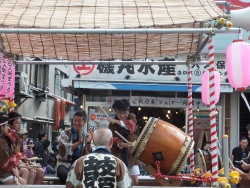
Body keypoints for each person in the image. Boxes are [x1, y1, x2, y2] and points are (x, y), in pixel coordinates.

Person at [66, 126, 132, 188]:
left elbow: (70, 185)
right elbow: (126, 185)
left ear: (93, 142)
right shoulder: (119, 164)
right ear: (111, 141)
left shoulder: (79, 162)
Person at [107, 99, 140, 185]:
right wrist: (123, 145)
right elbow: (113, 139)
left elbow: (130, 127)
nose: (123, 115)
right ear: (115, 111)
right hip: (119, 154)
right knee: (118, 179)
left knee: (135, 181)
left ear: (128, 111)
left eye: (125, 113)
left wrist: (115, 121)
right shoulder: (112, 125)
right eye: (120, 113)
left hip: (131, 154)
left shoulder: (132, 117)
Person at [55, 110, 93, 185]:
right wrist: (78, 143)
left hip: (81, 164)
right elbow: (63, 148)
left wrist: (88, 143)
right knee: (63, 174)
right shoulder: (65, 132)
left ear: (84, 122)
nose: (76, 123)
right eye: (75, 120)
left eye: (79, 121)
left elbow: (90, 152)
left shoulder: (87, 135)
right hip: (65, 163)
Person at [9, 112, 44, 184]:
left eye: (20, 123)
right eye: (17, 123)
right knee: (29, 171)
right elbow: (9, 155)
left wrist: (25, 159)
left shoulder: (18, 138)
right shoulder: (6, 138)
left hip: (19, 162)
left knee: (41, 171)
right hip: (12, 164)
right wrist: (21, 162)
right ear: (10, 124)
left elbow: (21, 153)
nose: (20, 125)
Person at [0, 113, 28, 185]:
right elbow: (4, 158)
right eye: (6, 125)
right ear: (1, 127)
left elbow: (15, 151)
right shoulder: (2, 140)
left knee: (27, 175)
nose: (8, 128)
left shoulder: (4, 139)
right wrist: (14, 170)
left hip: (7, 169)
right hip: (3, 172)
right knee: (23, 181)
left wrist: (23, 159)